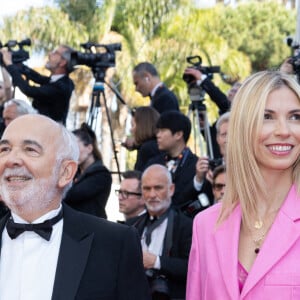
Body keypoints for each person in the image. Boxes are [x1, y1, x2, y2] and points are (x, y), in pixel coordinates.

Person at [0, 114, 151, 300]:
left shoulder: (115, 244)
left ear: (65, 172)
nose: (11, 159)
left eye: (30, 149)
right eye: (4, 149)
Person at [186, 70, 300, 299]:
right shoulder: (206, 225)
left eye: (295, 117)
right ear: (242, 127)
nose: (284, 131)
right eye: (266, 116)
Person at [134, 164, 192, 300]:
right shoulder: (134, 224)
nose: (152, 194)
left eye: (158, 188)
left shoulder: (186, 225)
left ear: (171, 189)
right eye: (147, 189)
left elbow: (192, 267)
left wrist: (156, 262)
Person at [0, 45, 74, 125]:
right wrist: (16, 64)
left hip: (49, 134)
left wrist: (9, 64)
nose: (49, 54)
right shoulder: (56, 81)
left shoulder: (63, 86)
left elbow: (28, 90)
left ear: (63, 62)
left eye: (55, 53)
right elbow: (35, 76)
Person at [145, 111, 198, 211]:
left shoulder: (195, 166)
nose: (158, 135)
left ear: (178, 134)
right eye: (158, 131)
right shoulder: (153, 164)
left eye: (163, 130)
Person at [63, 122, 112, 219]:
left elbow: (71, 195)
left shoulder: (101, 174)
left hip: (92, 229)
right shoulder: (75, 172)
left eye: (75, 147)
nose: (72, 152)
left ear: (89, 148)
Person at [122, 106, 161, 171]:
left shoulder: (147, 149)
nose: (130, 130)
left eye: (132, 125)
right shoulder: (155, 145)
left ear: (142, 126)